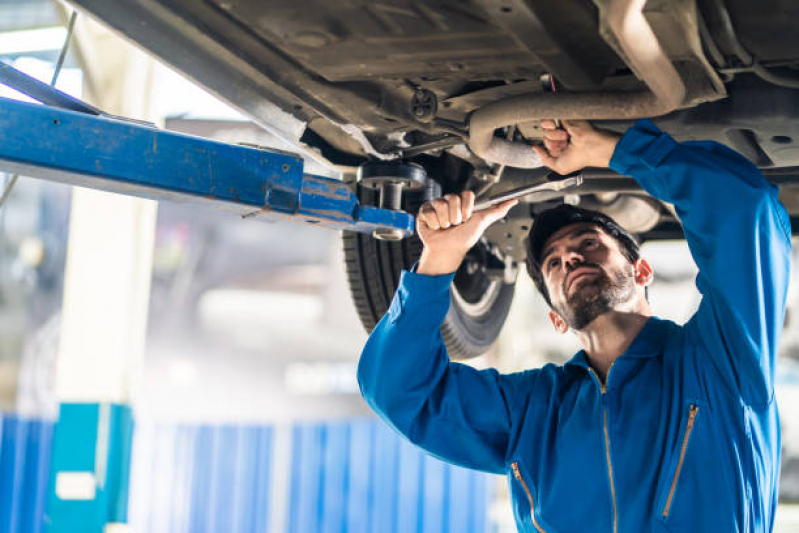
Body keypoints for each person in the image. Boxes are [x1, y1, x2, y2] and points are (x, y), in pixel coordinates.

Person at [357, 118, 792, 532]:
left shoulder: (719, 362)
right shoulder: (534, 412)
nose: (569, 258)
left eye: (589, 243)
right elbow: (401, 394)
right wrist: (440, 260)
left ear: (642, 271)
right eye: (552, 263)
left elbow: (745, 211)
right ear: (556, 318)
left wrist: (615, 150)